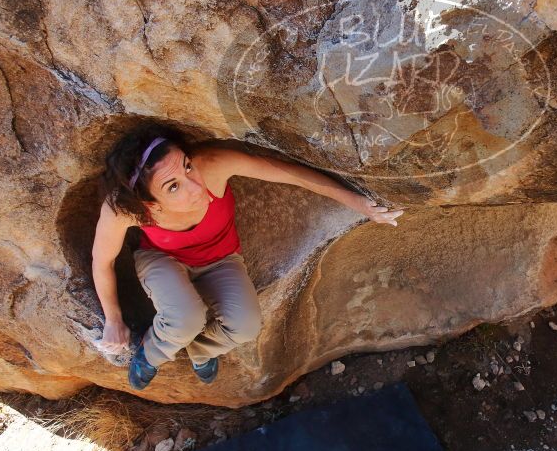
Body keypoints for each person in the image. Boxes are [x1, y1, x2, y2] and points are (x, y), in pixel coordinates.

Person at [91, 123, 404, 390]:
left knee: (246, 325)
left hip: (220, 257)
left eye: (187, 166)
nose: (195, 184)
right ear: (150, 203)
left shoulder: (212, 165)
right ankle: (151, 353)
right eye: (173, 186)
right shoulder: (124, 209)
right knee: (186, 319)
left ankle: (201, 351)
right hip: (161, 259)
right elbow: (102, 261)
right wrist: (114, 321)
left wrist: (359, 204)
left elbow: (290, 174)